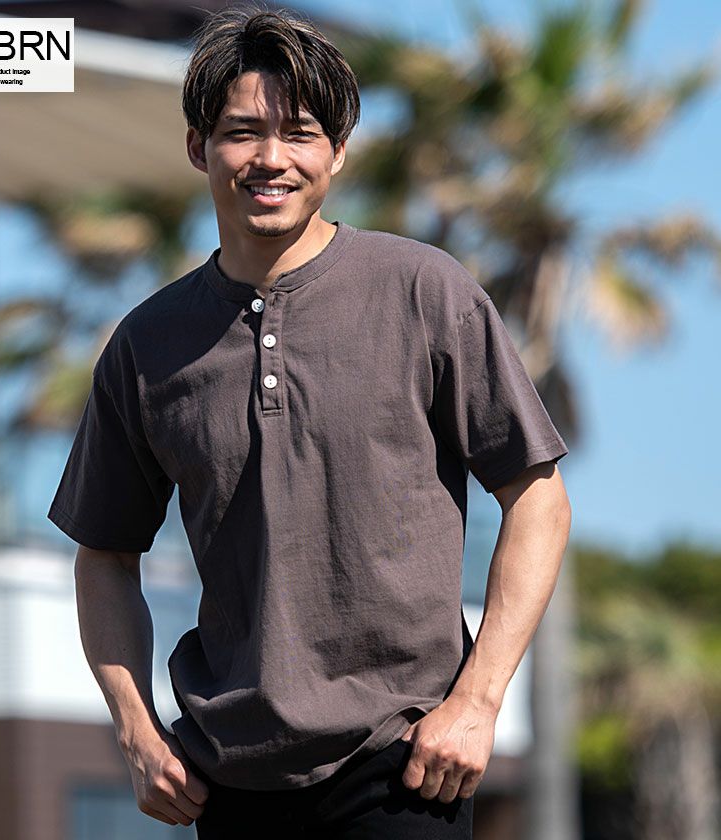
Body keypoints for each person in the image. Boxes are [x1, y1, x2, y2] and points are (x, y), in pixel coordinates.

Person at [46, 5, 572, 838]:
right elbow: (104, 555)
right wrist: (137, 731)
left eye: (299, 134)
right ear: (198, 147)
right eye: (242, 132)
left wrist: (476, 701)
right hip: (228, 779)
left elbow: (538, 500)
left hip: (405, 762)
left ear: (338, 152)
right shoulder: (148, 344)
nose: (271, 159)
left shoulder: (424, 291)